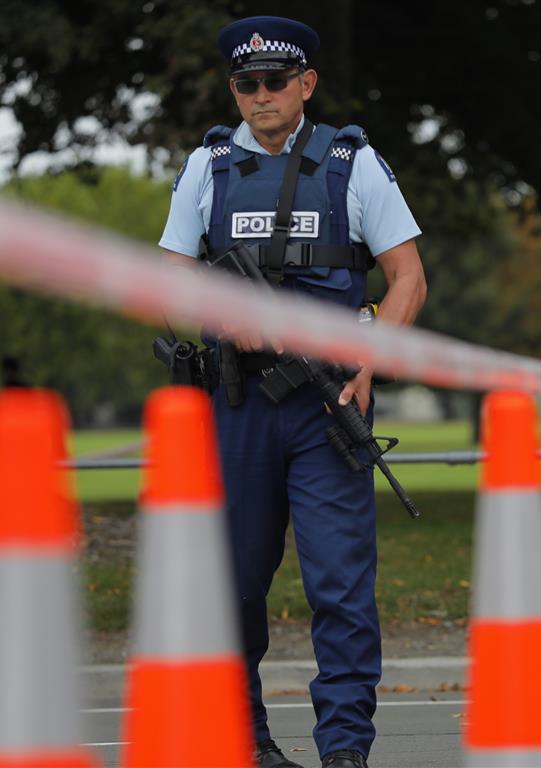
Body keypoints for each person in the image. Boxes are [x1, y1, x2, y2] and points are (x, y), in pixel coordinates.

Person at [157, 15, 427, 768]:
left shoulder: (351, 161)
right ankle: (246, 741)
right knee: (234, 587)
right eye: (246, 84)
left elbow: (406, 276)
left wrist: (372, 362)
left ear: (306, 83)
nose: (261, 96)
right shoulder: (206, 167)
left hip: (327, 407)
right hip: (236, 408)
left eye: (276, 82)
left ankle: (344, 750)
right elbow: (171, 279)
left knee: (340, 585)